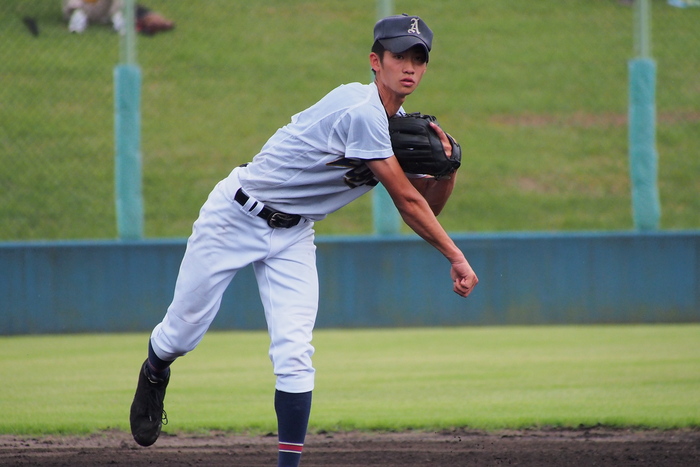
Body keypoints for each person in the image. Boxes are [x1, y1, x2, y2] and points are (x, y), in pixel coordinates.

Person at [129, 13, 478, 467]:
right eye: (398, 56)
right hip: (236, 214)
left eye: (418, 58)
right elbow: (409, 203)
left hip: (294, 234)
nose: (409, 66)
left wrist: (447, 171)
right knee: (182, 331)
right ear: (376, 61)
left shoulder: (400, 125)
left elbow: (426, 208)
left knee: (295, 353)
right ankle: (155, 370)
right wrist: (456, 256)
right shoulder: (360, 110)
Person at [62, 0, 174, 35]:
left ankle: (118, 18)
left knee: (129, 9)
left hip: (107, 10)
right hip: (83, 7)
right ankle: (78, 16)